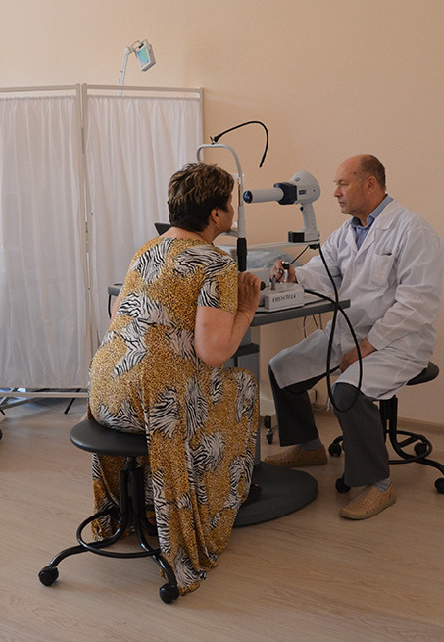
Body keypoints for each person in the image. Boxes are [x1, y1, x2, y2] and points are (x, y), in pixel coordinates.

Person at [88, 161, 262, 595]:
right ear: (216, 214)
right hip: (150, 403)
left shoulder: (146, 250)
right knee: (242, 386)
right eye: (229, 204)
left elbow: (120, 315)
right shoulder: (215, 262)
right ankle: (212, 504)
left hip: (105, 390)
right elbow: (213, 352)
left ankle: (147, 502)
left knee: (193, 384)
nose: (231, 212)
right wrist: (245, 310)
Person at [264, 154, 443, 520]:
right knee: (282, 368)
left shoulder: (412, 230)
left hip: (398, 341)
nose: (335, 193)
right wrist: (293, 275)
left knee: (346, 391)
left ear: (370, 184)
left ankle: (380, 484)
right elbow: (322, 273)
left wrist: (366, 347)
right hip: (349, 332)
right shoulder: (347, 232)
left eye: (342, 184)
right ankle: (309, 447)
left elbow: (417, 304)